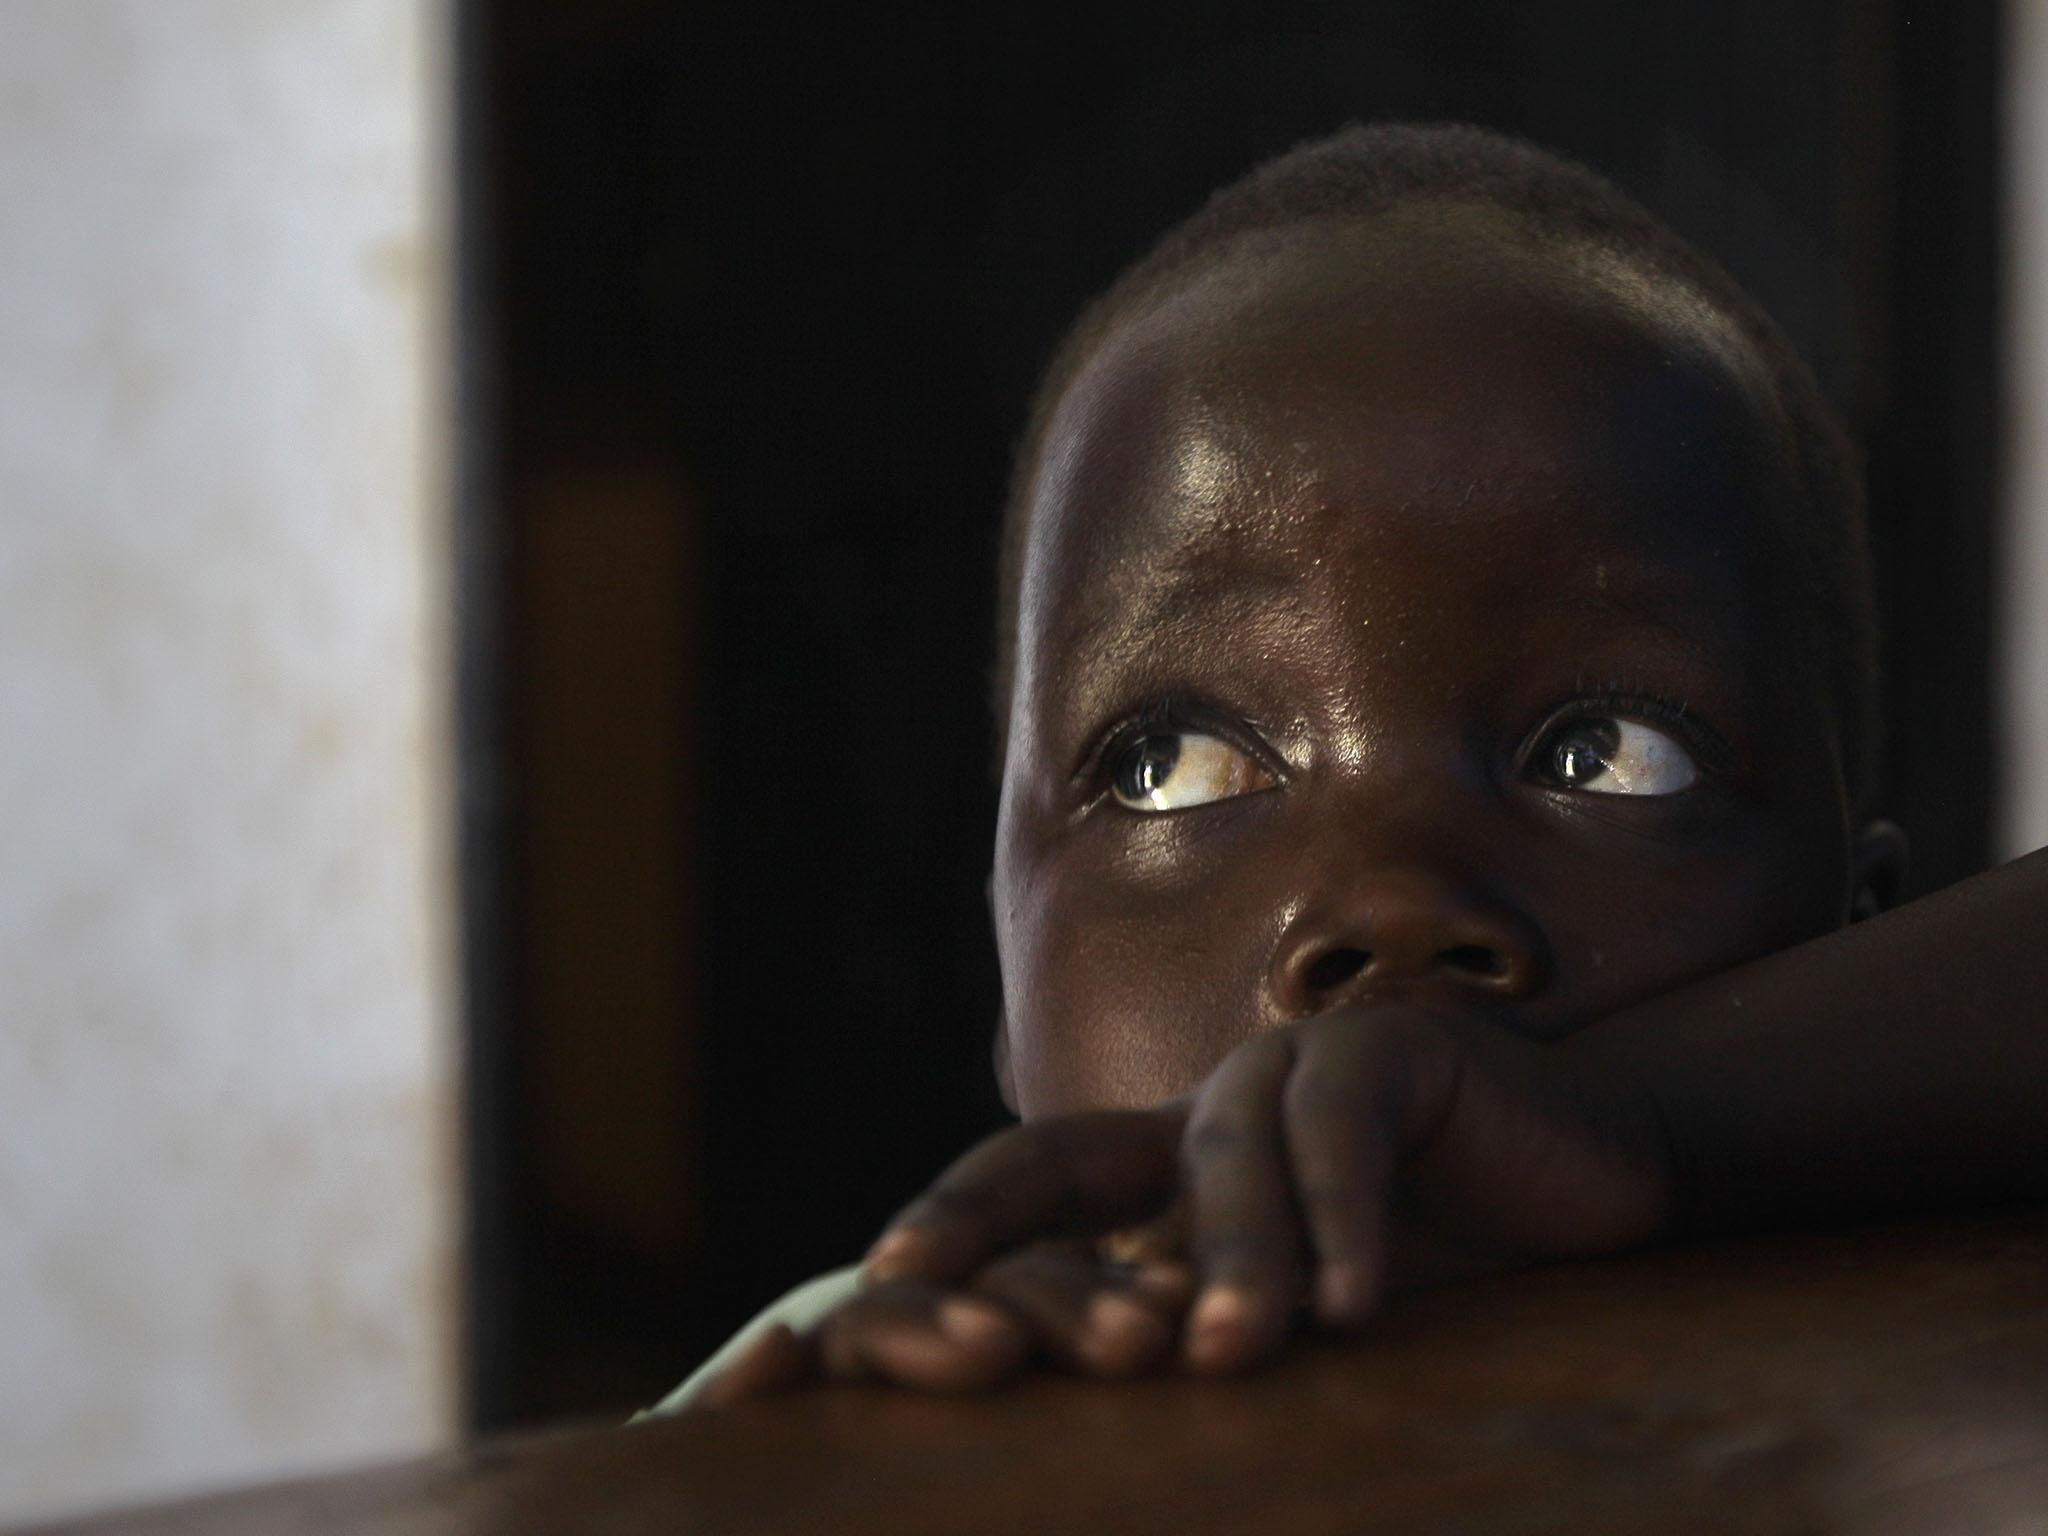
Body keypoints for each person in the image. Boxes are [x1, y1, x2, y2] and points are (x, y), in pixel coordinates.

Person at [646, 122, 2048, 1414]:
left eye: (1608, 754)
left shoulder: (1941, 1391)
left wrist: (1655, 1124)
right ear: (1008, 978)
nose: (1389, 904)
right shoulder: (864, 1391)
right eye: (1170, 767)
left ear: (1863, 946)